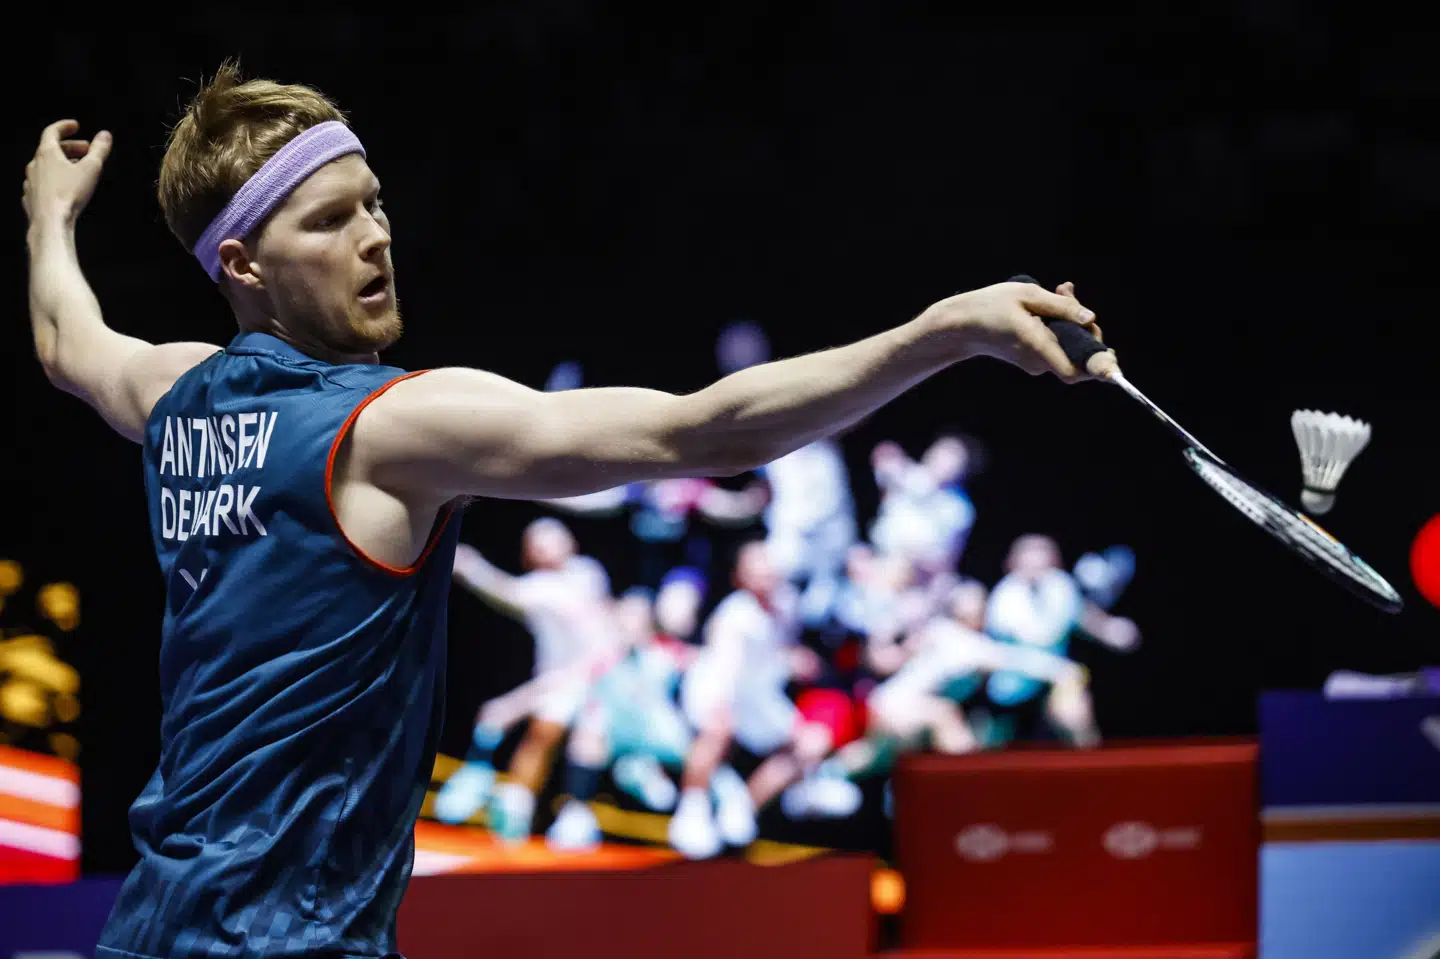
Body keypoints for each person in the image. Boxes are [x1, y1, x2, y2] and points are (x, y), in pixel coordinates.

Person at [23, 60, 1106, 957]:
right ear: (243, 262)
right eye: (329, 221)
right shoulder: (388, 426)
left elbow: (69, 341)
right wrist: (941, 333)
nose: (376, 237)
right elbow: (701, 431)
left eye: (374, 202)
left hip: (147, 927)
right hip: (291, 940)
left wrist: (49, 215)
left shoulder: (177, 394)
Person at [436, 520, 617, 842]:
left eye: (552, 539)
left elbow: (601, 631)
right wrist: (471, 567)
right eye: (537, 543)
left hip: (599, 678)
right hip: (557, 683)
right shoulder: (537, 587)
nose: (546, 547)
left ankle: (574, 813)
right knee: (541, 732)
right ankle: (512, 802)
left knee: (589, 734)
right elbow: (505, 591)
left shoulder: (588, 573)